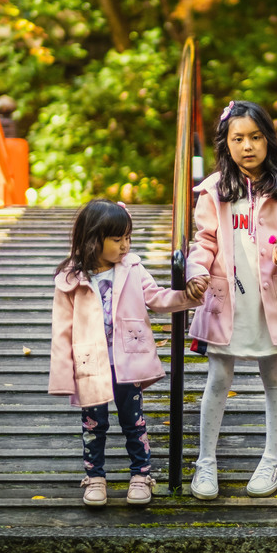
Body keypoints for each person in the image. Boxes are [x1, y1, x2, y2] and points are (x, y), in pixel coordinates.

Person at [185, 100, 277, 501]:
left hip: (267, 302)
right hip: (226, 302)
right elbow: (203, 241)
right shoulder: (213, 191)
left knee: (272, 375)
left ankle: (274, 455)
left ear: (268, 141)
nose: (248, 146)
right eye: (238, 138)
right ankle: (206, 460)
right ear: (226, 143)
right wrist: (196, 271)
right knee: (219, 377)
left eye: (256, 137)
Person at [48, 199, 205, 507]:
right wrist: (63, 376)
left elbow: (157, 297)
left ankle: (141, 474)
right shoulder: (71, 279)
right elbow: (61, 330)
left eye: (127, 238)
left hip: (126, 362)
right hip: (90, 364)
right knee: (94, 425)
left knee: (134, 422)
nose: (124, 246)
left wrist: (188, 297)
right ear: (94, 239)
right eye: (117, 239)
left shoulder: (131, 268)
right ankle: (95, 477)